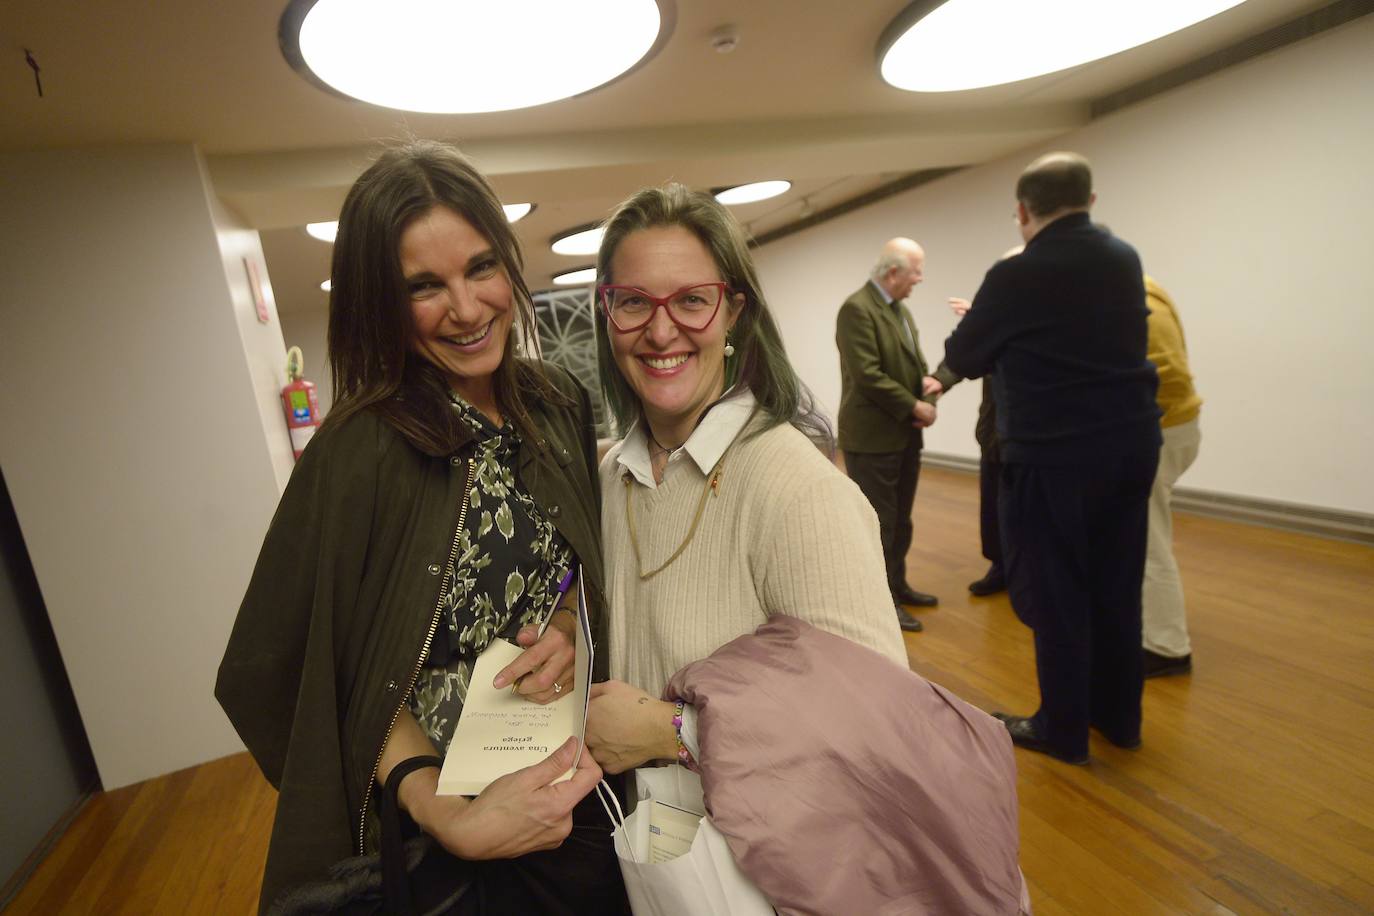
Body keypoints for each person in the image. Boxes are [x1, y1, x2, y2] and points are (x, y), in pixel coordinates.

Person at [582, 185, 1028, 914]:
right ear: (607, 315)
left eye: (690, 300)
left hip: (776, 873)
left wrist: (671, 732)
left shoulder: (795, 487)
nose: (661, 331)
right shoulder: (612, 477)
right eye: (634, 301)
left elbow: (877, 735)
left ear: (733, 312)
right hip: (662, 857)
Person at [215, 141, 626, 914]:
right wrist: (441, 808)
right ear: (380, 302)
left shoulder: (557, 402)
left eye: (480, 268)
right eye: (423, 286)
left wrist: (568, 622)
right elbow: (301, 663)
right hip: (442, 838)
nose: (466, 310)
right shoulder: (359, 449)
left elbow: (577, 560)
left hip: (575, 789)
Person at [942, 151, 1162, 765]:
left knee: (1057, 591)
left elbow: (966, 353)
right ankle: (1120, 720)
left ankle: (1062, 729)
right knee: (1118, 585)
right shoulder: (1123, 258)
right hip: (1131, 446)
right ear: (1091, 201)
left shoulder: (1018, 274)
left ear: (1021, 212)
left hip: (1055, 456)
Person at [835, 238, 955, 631]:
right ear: (892, 273)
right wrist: (913, 406)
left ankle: (898, 586)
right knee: (880, 523)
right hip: (872, 437)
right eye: (915, 272)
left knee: (901, 519)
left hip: (903, 434)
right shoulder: (857, 309)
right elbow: (867, 375)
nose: (919, 280)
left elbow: (918, 366)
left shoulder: (899, 310)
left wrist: (928, 401)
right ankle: (881, 600)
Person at [1141, 276, 1203, 677]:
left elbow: (1167, 375)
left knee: (1150, 540)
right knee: (1139, 534)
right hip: (1171, 428)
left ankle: (1167, 646)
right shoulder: (1139, 288)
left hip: (1161, 432)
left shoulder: (1138, 299)